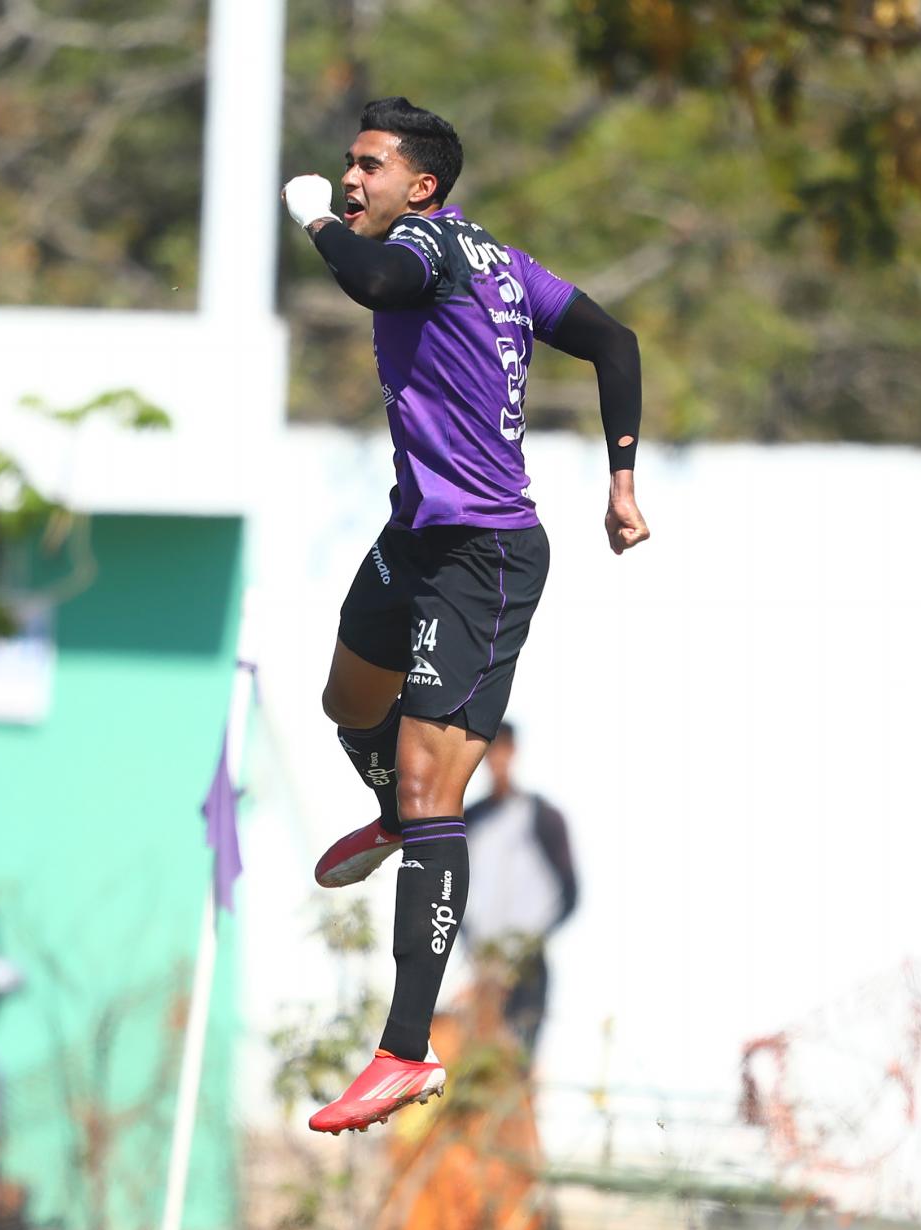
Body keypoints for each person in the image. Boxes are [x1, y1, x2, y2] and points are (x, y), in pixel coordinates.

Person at [282, 97, 649, 1133]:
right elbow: (611, 341)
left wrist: (312, 218)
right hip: (417, 534)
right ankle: (397, 814)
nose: (351, 179)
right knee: (347, 698)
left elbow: (368, 280)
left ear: (422, 186)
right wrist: (620, 480)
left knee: (436, 776)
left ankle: (402, 1047)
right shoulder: (499, 260)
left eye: (368, 167)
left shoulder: (427, 251)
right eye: (344, 168)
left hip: (480, 556)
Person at [462, 721, 578, 1061]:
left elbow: (569, 895)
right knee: (474, 1066)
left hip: (527, 972)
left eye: (502, 749)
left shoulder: (543, 816)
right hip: (481, 972)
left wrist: (524, 947)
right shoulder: (470, 820)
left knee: (518, 1067)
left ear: (513, 752)